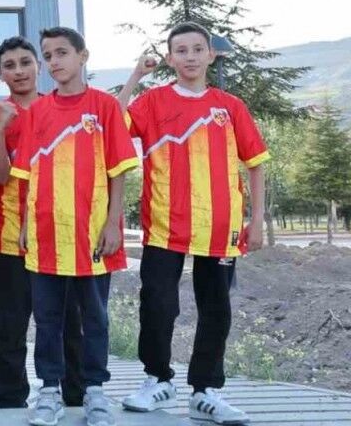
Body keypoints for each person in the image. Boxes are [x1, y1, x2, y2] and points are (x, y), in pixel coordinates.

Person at [118, 22, 270, 425]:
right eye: (181, 50)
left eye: (197, 49)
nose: (190, 56)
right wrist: (136, 75)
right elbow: (112, 124)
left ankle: (205, 391)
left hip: (220, 227)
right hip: (164, 225)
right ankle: (157, 380)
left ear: (210, 54)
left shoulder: (229, 106)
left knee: (216, 309)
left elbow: (256, 164)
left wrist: (256, 220)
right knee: (157, 303)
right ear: (170, 58)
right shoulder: (152, 101)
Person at [9, 27, 138, 426]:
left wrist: (113, 223)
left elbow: (119, 170)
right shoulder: (37, 112)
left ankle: (94, 391)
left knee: (95, 317)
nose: (54, 62)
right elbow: (27, 174)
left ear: (83, 56)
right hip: (46, 233)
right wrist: (26, 223)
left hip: (93, 234)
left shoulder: (104, 107)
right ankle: (49, 391)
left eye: (62, 53)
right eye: (48, 55)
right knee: (47, 319)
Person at [0, 37, 87, 409]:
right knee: (11, 327)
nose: (19, 71)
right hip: (12, 239)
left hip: (57, 236)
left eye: (26, 62)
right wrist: (0, 130)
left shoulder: (57, 108)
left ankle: (74, 396)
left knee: (67, 323)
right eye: (9, 65)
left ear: (38, 66)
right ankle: (11, 403)